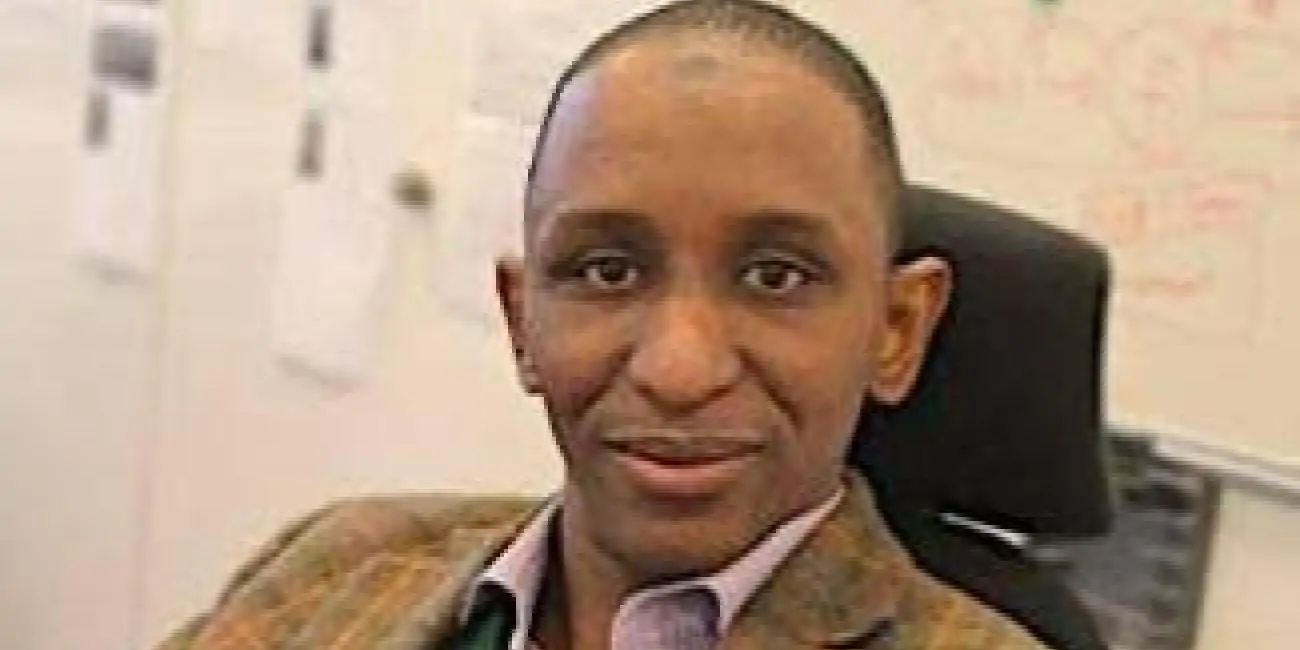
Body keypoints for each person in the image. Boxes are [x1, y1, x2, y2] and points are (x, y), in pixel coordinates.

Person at [154, 2, 1056, 649]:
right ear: (522, 320)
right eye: (607, 272)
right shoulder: (334, 568)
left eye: (775, 277)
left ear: (896, 329)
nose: (679, 368)